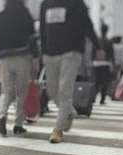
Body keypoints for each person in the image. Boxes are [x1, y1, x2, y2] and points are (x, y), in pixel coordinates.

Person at [39, 0, 104, 143]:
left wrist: (97, 46)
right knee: (52, 90)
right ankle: (70, 112)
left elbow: (87, 24)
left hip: (72, 51)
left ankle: (58, 129)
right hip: (50, 53)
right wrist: (43, 53)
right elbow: (43, 30)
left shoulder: (76, 3)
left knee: (64, 90)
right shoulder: (45, 4)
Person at [0, 0, 39, 136]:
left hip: (5, 58)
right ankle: (18, 124)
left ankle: (2, 115)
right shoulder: (25, 15)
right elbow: (33, 38)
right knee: (22, 92)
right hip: (23, 57)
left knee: (6, 91)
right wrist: (35, 58)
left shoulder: (1, 17)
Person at [93, 24, 115, 105]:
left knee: (96, 82)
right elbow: (112, 54)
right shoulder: (109, 42)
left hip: (96, 64)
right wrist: (113, 64)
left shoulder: (96, 41)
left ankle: (93, 98)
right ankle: (102, 99)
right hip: (106, 64)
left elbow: (92, 52)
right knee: (104, 83)